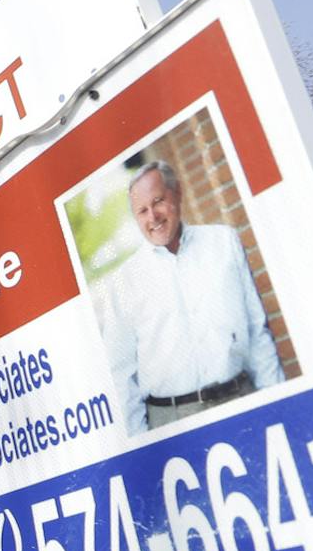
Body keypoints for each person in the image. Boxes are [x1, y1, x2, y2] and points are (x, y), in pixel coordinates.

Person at [104, 159, 284, 434]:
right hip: (172, 424)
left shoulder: (223, 243)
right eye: (142, 211)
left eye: (158, 201)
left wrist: (281, 403)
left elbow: (255, 331)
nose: (153, 216)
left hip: (241, 400)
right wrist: (138, 447)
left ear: (177, 194)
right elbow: (121, 377)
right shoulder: (123, 282)